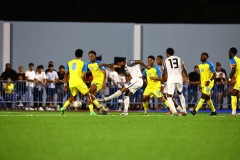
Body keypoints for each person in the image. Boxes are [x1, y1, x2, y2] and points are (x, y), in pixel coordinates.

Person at [60, 49, 108, 115]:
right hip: (79, 82)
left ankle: (63, 108)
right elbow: (83, 76)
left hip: (72, 82)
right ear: (82, 55)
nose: (90, 57)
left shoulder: (69, 62)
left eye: (92, 56)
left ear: (75, 55)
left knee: (75, 96)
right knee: (88, 94)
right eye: (89, 56)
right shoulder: (84, 63)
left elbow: (66, 74)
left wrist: (65, 83)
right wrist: (83, 84)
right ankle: (93, 111)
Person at [162, 48, 188, 116]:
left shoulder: (166, 60)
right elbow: (183, 68)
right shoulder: (179, 59)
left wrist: (162, 82)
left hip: (171, 79)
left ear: (167, 53)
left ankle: (174, 112)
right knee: (180, 94)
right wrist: (186, 77)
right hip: (179, 78)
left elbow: (164, 72)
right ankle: (184, 110)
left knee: (169, 96)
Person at [228, 47, 239, 116]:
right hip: (238, 79)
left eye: (229, 52)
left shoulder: (232, 59)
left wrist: (229, 78)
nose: (228, 54)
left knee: (233, 93)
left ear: (231, 52)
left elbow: (233, 69)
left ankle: (233, 112)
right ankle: (234, 112)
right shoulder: (238, 59)